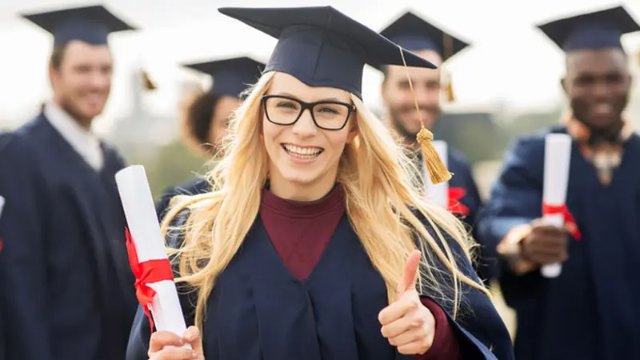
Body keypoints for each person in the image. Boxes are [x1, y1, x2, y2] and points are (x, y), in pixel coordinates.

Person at [127, 6, 514, 360]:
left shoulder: (417, 236)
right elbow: (149, 347)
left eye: (328, 110)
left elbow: (490, 348)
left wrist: (437, 337)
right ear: (258, 116)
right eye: (285, 105)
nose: (304, 128)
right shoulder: (195, 239)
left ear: (353, 127)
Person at [478, 6, 640, 360]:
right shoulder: (533, 153)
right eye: (586, 80)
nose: (600, 92)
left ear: (630, 79)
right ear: (565, 85)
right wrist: (523, 241)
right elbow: (498, 218)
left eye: (612, 78)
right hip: (555, 341)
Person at [0, 5, 138, 360]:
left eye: (105, 70)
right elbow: (19, 284)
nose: (97, 82)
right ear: (54, 73)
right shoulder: (18, 156)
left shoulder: (111, 162)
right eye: (83, 69)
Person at [377, 11, 488, 279]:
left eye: (432, 85)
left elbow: (485, 265)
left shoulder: (456, 168)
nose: (422, 99)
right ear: (383, 91)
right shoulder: (357, 165)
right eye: (407, 85)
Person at [156, 57, 265, 219]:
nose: (237, 134)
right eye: (226, 123)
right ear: (207, 129)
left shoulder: (283, 200)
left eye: (249, 122)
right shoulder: (181, 203)